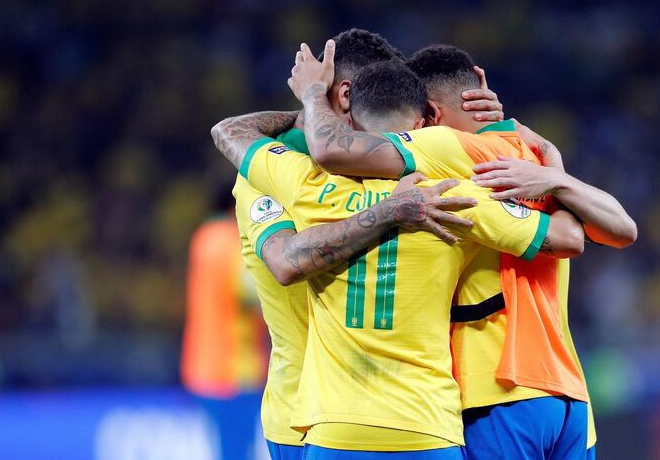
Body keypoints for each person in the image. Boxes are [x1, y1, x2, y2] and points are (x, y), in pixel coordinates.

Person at [213, 46, 587, 459]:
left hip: (328, 423)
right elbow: (284, 263)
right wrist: (528, 148)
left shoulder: (291, 179)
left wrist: (307, 100)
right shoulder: (448, 190)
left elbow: (228, 130)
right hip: (362, 420)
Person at [291, 41, 636, 459]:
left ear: (431, 116)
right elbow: (618, 231)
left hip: (496, 389)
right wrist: (559, 176)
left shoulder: (443, 149)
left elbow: (331, 150)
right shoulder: (532, 151)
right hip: (570, 397)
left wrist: (313, 95)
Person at [180, 190, 269, 460]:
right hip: (236, 369)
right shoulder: (233, 241)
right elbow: (251, 292)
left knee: (224, 449)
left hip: (201, 365)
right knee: (238, 450)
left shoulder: (202, 237)